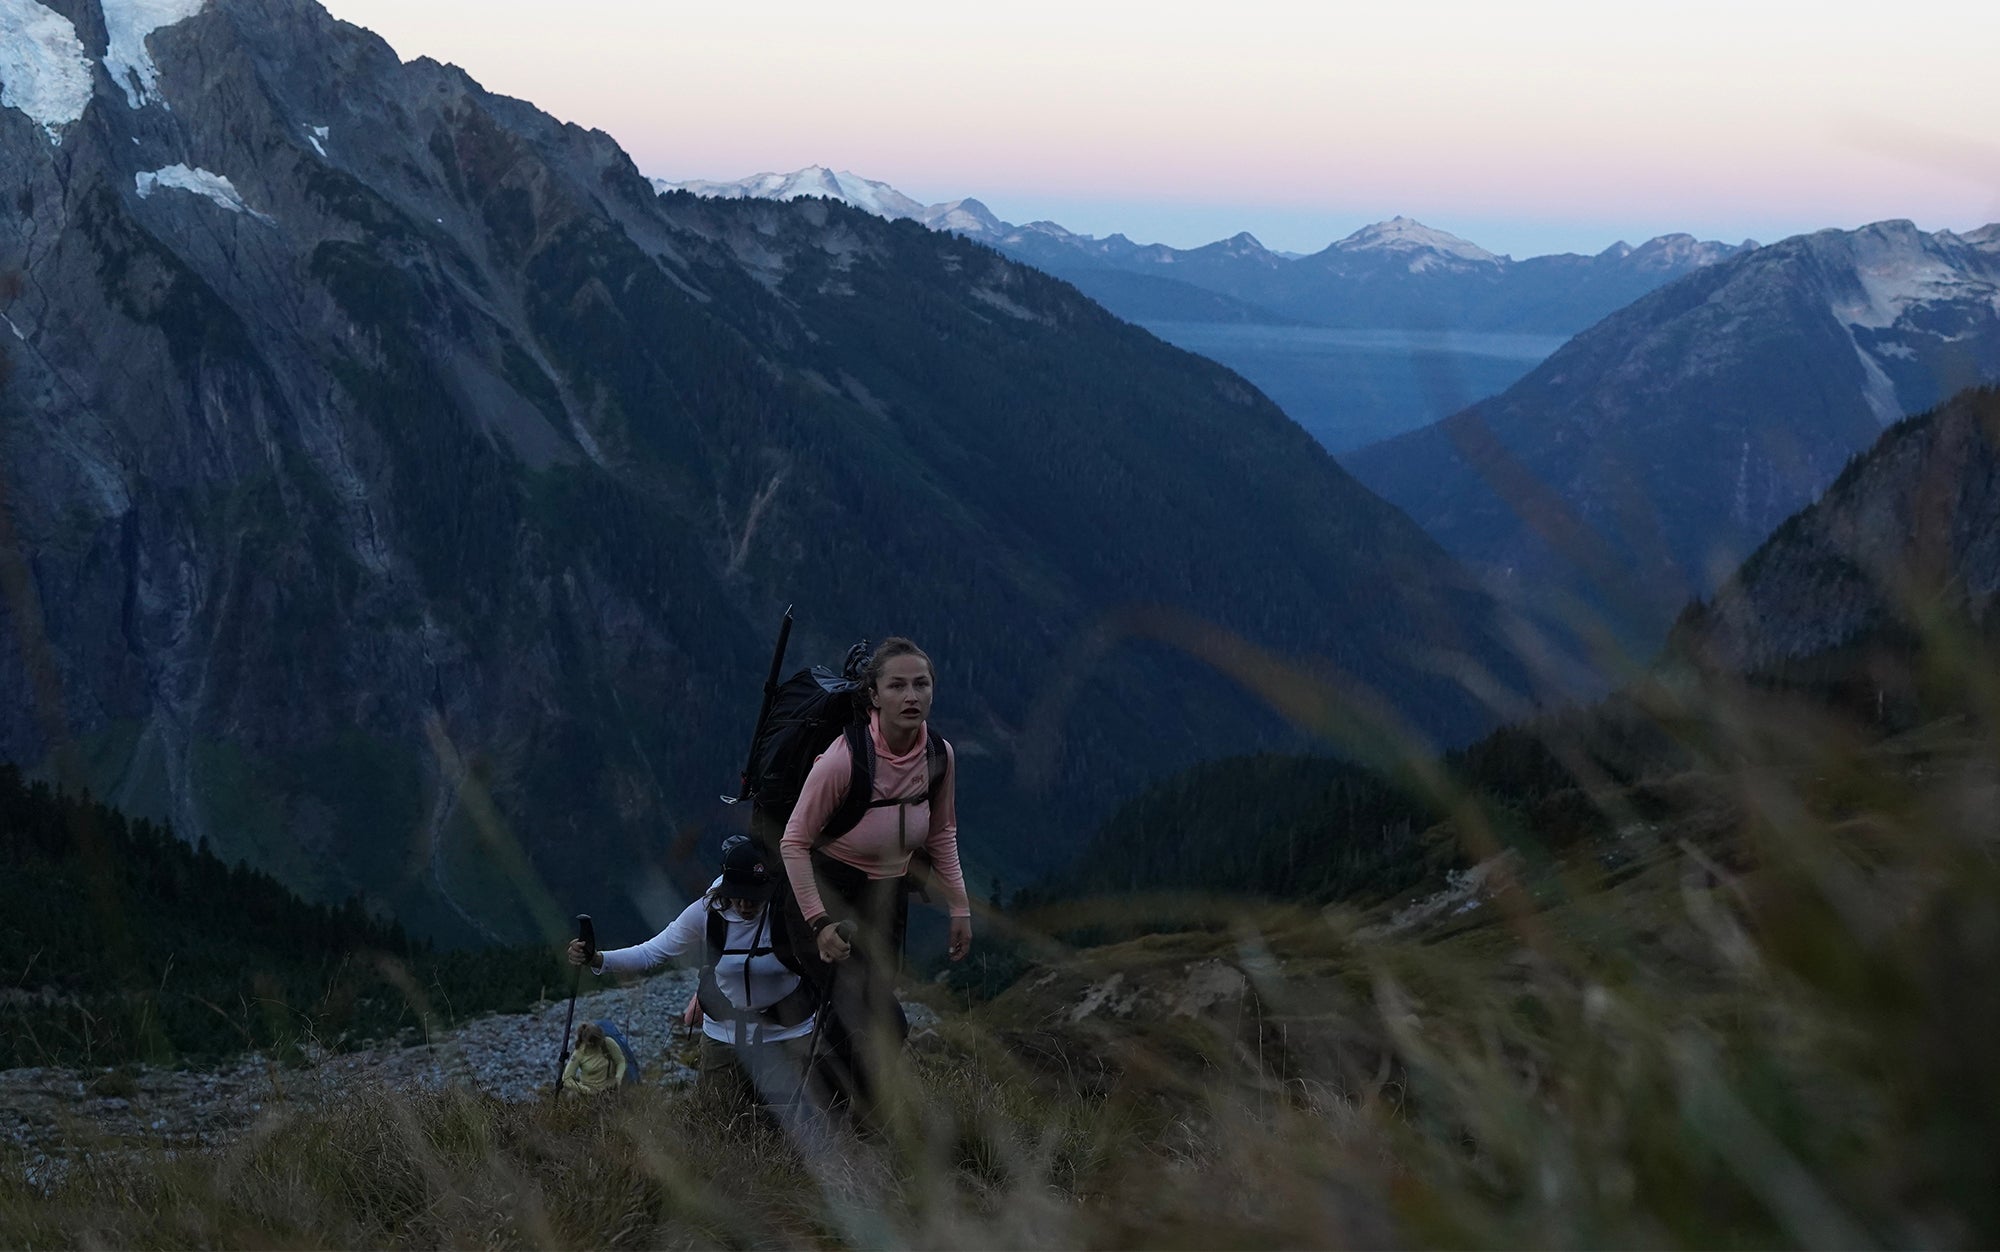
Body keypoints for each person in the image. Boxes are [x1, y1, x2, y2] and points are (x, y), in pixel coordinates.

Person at [779, 636, 973, 1111]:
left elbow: (942, 832)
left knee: (866, 1017)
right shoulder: (843, 760)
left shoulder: (939, 757)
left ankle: (835, 1121)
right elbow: (793, 841)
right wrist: (819, 924)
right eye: (897, 685)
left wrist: (960, 907)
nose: (911, 696)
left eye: (921, 684)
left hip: (887, 899)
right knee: (875, 1019)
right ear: (873, 695)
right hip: (829, 895)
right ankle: (826, 1123)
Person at [567, 836, 818, 1109]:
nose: (746, 904)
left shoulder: (792, 908)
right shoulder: (707, 913)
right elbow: (652, 952)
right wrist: (596, 959)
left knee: (793, 1123)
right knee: (716, 1119)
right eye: (738, 895)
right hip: (725, 1038)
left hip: (788, 1035)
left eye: (754, 897)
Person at [560, 1020, 634, 1094]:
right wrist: (586, 1090)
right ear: (590, 1043)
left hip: (609, 1089)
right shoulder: (579, 1052)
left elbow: (620, 1061)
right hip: (588, 1092)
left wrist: (618, 1078)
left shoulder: (608, 1043)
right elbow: (566, 1078)